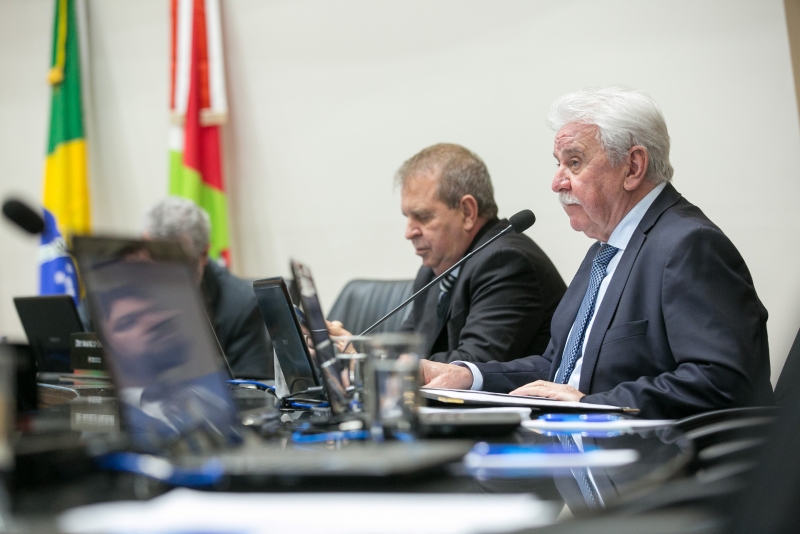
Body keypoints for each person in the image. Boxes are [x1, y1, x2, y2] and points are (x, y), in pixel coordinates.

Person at [421, 87, 774, 419]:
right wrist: (468, 376)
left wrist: (593, 406)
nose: (557, 182)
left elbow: (725, 381)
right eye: (558, 163)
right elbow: (558, 367)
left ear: (633, 168)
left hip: (665, 465)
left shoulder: (688, 245)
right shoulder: (605, 250)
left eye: (574, 163)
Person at [333, 143, 566, 364]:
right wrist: (348, 350)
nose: (409, 232)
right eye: (407, 218)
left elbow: (471, 367)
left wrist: (361, 364)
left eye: (422, 216)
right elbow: (404, 352)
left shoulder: (506, 262)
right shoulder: (434, 271)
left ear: (467, 211)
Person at [144, 197, 272, 378]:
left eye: (176, 268)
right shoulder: (117, 284)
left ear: (204, 254)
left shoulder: (241, 306)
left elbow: (252, 392)